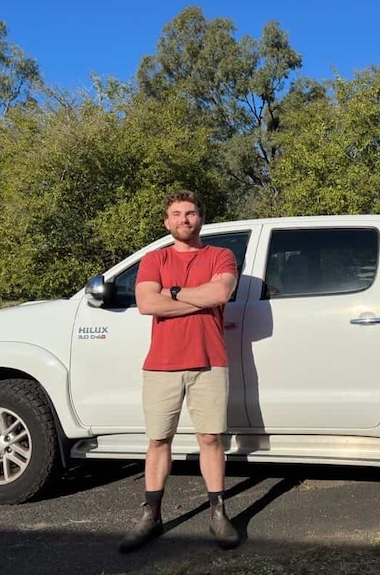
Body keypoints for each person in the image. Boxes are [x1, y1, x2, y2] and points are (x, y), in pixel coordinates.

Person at [119, 190, 240, 553]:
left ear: (200, 218)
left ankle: (218, 513)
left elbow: (219, 295)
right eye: (176, 214)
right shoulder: (154, 258)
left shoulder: (221, 255)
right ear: (166, 222)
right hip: (162, 364)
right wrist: (192, 294)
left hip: (210, 361)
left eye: (190, 213)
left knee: (210, 439)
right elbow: (145, 303)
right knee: (158, 441)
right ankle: (151, 515)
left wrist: (170, 294)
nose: (184, 219)